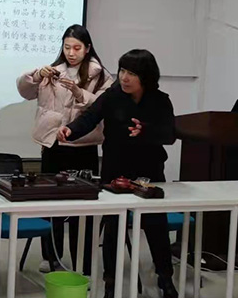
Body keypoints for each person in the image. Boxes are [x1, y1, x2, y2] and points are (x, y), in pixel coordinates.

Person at [57, 49, 178, 298]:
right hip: (115, 172)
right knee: (113, 229)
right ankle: (110, 283)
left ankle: (165, 278)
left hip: (149, 171)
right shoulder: (112, 97)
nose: (124, 77)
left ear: (145, 76)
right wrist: (71, 130)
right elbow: (90, 117)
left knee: (156, 226)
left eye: (131, 73)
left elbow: (169, 134)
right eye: (122, 70)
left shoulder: (160, 100)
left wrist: (146, 130)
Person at [17, 24, 112, 273]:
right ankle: (52, 257)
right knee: (51, 204)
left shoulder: (101, 76)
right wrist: (36, 75)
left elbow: (105, 105)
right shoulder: (52, 71)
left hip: (83, 146)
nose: (71, 53)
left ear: (87, 48)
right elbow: (24, 91)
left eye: (77, 48)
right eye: (67, 47)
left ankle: (84, 263)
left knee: (84, 209)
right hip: (53, 144)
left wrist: (80, 94)